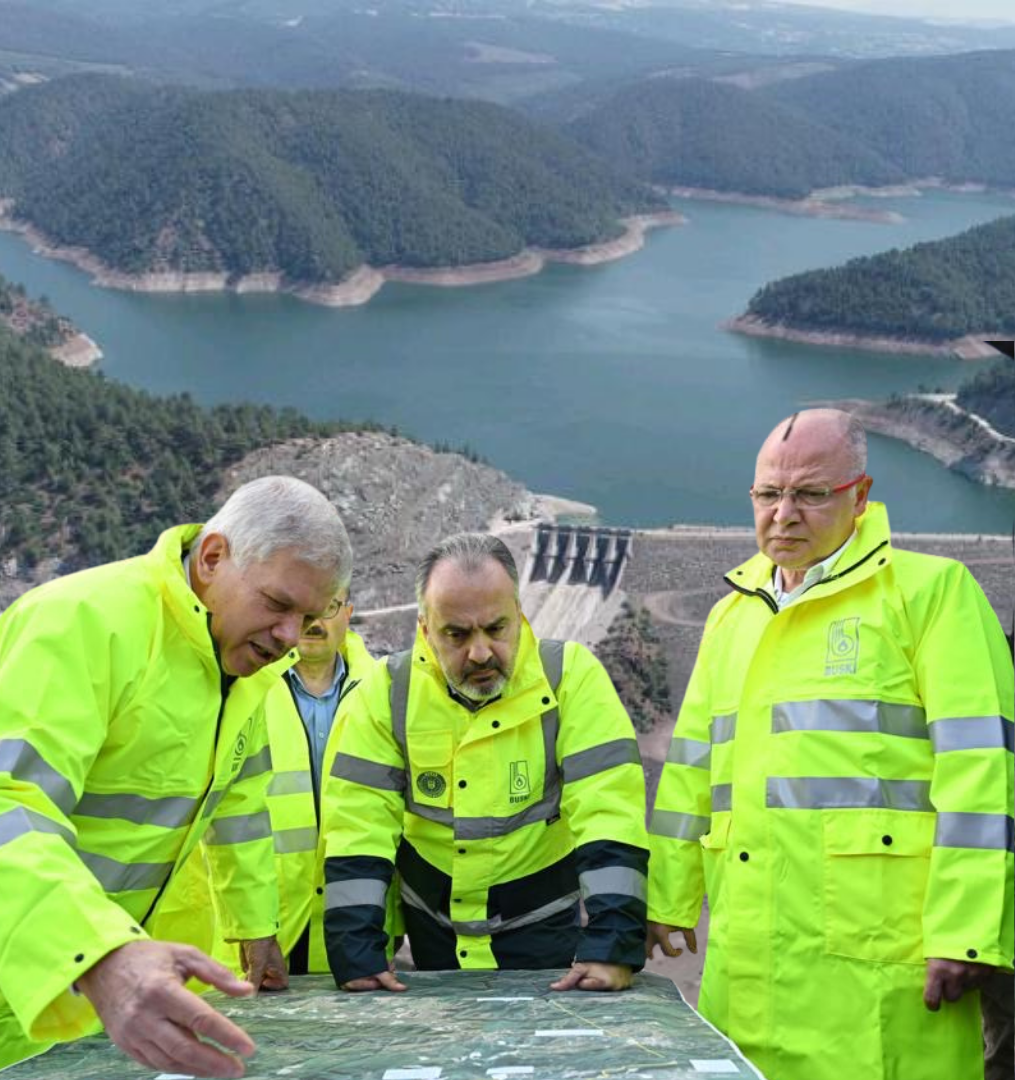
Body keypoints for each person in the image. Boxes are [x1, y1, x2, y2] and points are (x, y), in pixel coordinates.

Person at [0, 475, 352, 1080]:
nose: (292, 637)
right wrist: (97, 954)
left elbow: (239, 802)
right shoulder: (84, 622)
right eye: (278, 604)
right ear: (212, 557)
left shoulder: (243, 664)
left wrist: (254, 929)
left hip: (89, 986)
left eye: (310, 617)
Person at [647, 409, 1014, 1080]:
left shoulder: (929, 595)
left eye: (810, 494)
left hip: (880, 957)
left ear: (860, 496)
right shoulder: (733, 615)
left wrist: (968, 930)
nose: (783, 514)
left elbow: (983, 772)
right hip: (749, 953)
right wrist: (666, 897)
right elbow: (692, 766)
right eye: (768, 494)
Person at [321, 532, 649, 992]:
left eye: (496, 629)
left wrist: (613, 947)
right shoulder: (387, 692)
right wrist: (356, 955)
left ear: (520, 615)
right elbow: (359, 826)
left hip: (548, 944)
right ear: (424, 629)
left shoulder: (571, 679)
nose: (479, 653)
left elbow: (609, 815)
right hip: (432, 943)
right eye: (456, 634)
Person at [264, 592, 377, 974]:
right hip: (265, 921)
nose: (316, 621)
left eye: (329, 607)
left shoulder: (381, 693)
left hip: (356, 923)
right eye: (308, 608)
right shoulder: (248, 688)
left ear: (349, 611)